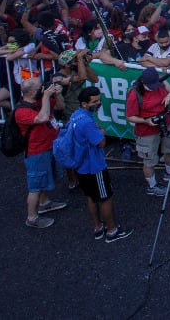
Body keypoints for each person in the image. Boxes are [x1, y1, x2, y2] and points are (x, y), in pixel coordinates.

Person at [66, 85, 132, 242]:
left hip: (81, 166)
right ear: (84, 104)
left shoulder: (76, 115)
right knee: (105, 198)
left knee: (90, 197)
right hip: (94, 166)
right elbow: (101, 143)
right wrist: (101, 133)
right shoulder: (87, 123)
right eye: (95, 101)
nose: (98, 103)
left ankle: (97, 227)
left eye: (99, 100)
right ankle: (111, 230)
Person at [12, 76, 67, 228]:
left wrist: (57, 94)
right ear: (31, 92)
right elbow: (42, 117)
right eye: (40, 88)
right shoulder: (21, 111)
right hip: (36, 152)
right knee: (35, 186)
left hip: (49, 146)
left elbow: (60, 107)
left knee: (44, 179)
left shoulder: (40, 101)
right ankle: (32, 217)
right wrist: (47, 97)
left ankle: (45, 203)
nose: (44, 89)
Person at [126, 67, 170, 197]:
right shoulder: (135, 94)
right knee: (149, 160)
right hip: (146, 129)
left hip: (166, 121)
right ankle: (152, 186)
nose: (155, 87)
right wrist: (146, 121)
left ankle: (169, 172)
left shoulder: (160, 81)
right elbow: (130, 116)